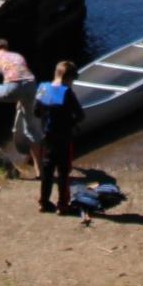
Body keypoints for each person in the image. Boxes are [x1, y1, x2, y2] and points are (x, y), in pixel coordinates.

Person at [32, 60, 85, 213]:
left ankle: (44, 202)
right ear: (68, 78)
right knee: (63, 171)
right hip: (63, 138)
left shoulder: (42, 88)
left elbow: (36, 111)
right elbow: (80, 115)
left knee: (47, 171)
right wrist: (70, 122)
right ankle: (62, 205)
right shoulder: (67, 92)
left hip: (46, 137)